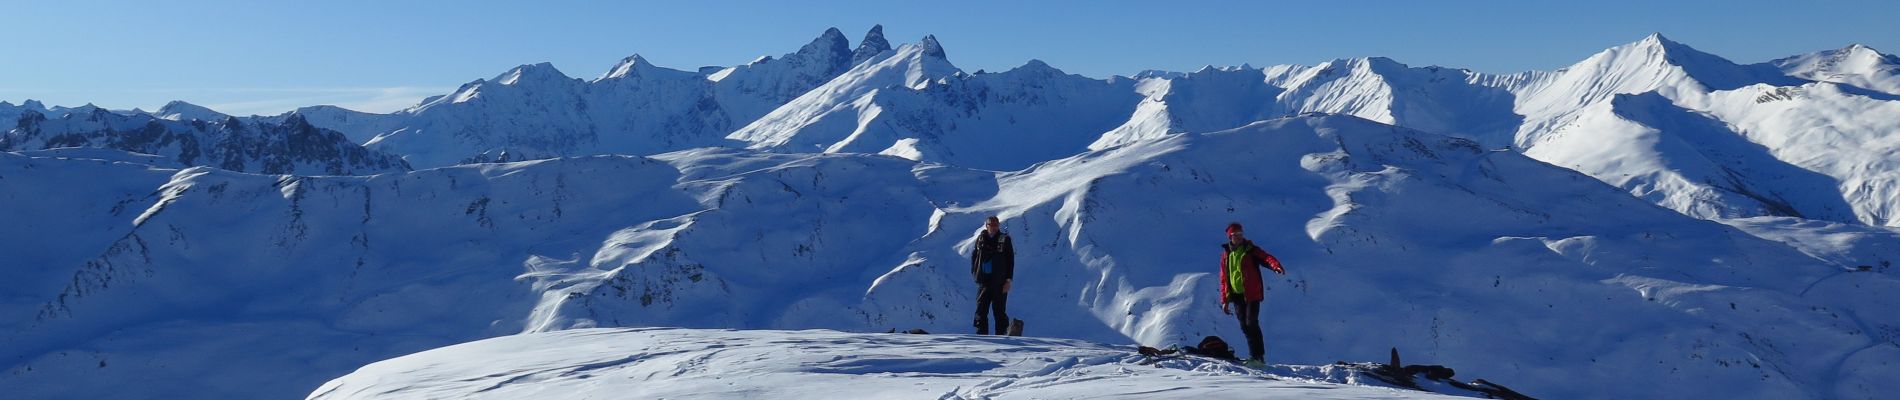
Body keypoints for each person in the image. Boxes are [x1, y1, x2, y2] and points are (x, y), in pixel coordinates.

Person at [1219, 222, 1284, 365]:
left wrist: (1275, 266)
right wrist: (1225, 300)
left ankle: (1258, 357)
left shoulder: (1250, 250)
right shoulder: (1226, 255)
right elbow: (1224, 278)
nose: (1239, 237)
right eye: (1236, 235)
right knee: (1244, 325)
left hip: (1252, 293)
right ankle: (1253, 356)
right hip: (1237, 295)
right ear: (1230, 237)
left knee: (1251, 323)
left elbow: (1266, 258)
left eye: (1241, 234)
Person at [971, 216, 1015, 335]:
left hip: (999, 282)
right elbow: (974, 256)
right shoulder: (980, 239)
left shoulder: (1004, 239)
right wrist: (975, 273)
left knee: (999, 310)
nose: (994, 227)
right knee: (981, 310)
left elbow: (1010, 260)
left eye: (996, 225)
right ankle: (981, 335)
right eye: (991, 225)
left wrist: (1008, 280)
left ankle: (1001, 336)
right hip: (983, 281)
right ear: (987, 225)